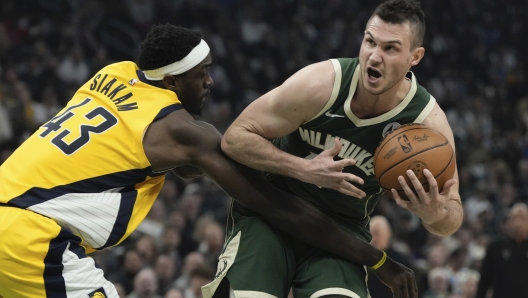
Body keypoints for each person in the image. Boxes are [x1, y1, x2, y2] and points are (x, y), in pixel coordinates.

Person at [0, 24, 415, 297]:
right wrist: (377, 259)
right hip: (30, 240)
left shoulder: (114, 72)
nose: (211, 81)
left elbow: (167, 162)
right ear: (173, 81)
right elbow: (276, 207)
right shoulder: (181, 130)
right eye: (203, 73)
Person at [218, 0, 463, 297]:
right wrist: (305, 169)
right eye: (370, 41)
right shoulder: (321, 84)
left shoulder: (428, 123)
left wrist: (432, 213)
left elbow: (452, 217)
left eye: (390, 48)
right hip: (271, 212)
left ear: (415, 57)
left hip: (339, 234)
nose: (374, 56)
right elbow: (235, 138)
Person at [476, 202, 528, 298]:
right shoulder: (495, 247)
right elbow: (484, 281)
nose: (518, 223)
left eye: (522, 219)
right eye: (514, 218)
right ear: (509, 222)